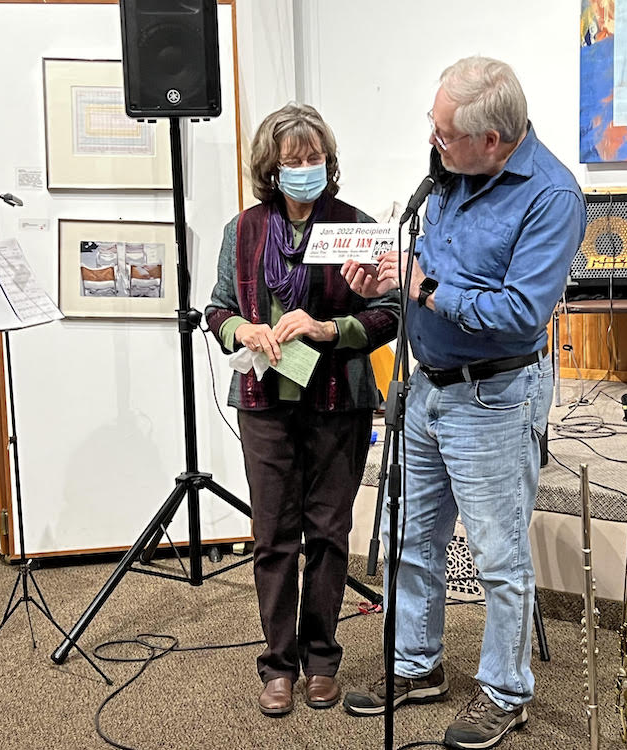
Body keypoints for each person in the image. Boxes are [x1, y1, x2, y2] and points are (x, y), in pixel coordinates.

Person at [341, 57, 586, 750]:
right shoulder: (449, 175)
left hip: (497, 396)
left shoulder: (551, 196)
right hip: (426, 387)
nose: (433, 139)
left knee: (498, 556)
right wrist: (380, 287)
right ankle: (417, 665)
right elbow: (424, 273)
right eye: (434, 123)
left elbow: (519, 311)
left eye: (445, 132)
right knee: (409, 538)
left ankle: (506, 694)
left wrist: (423, 290)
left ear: (495, 140)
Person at [205, 103, 400, 717]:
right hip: (264, 404)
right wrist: (242, 329)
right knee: (272, 536)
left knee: (329, 534)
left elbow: (389, 313)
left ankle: (322, 659)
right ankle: (278, 665)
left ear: (328, 162)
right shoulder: (243, 231)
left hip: (339, 402)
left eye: (314, 159)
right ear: (271, 168)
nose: (305, 169)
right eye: (292, 161)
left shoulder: (356, 226)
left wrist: (326, 328)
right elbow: (215, 311)